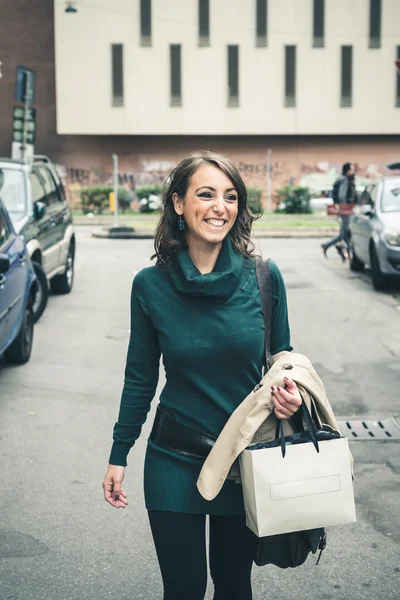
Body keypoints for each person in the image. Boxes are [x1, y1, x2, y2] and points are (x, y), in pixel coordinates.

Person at [102, 151, 302, 600]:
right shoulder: (149, 285)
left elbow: (283, 361)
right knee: (185, 588)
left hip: (244, 460)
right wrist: (120, 453)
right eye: (206, 194)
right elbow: (140, 378)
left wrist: (292, 395)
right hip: (173, 459)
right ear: (177, 203)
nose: (220, 207)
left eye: (230, 197)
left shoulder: (265, 278)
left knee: (233, 586)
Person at [321, 162, 357, 261]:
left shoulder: (342, 179)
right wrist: (344, 208)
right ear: (347, 170)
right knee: (345, 232)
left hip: (344, 209)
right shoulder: (344, 180)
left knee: (344, 232)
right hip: (345, 210)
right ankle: (345, 251)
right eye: (352, 169)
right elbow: (342, 195)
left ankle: (331, 246)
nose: (353, 171)